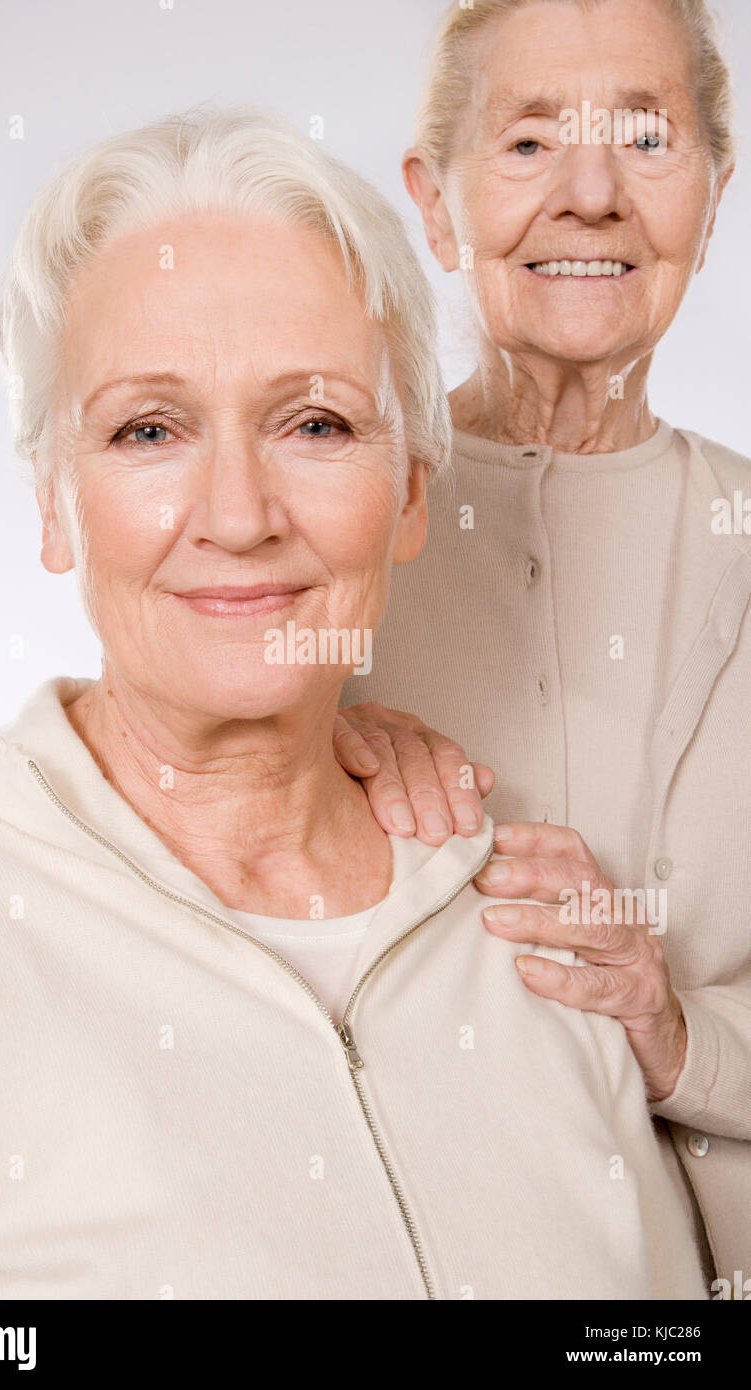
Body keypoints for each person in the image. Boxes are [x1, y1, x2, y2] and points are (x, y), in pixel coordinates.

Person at [0, 109, 705, 1299]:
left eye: (314, 423)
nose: (237, 513)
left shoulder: (534, 919)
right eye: (147, 430)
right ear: (55, 506)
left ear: (412, 492)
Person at [335, 0, 750, 1283]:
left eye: (643, 135)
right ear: (436, 204)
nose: (590, 195)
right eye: (526, 143)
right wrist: (297, 723)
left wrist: (673, 1025)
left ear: (712, 187)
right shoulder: (311, 538)